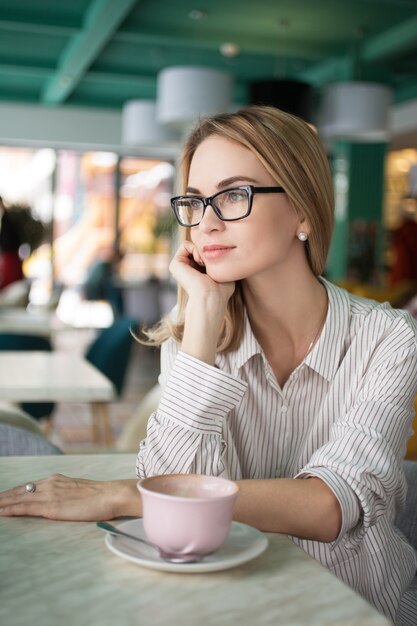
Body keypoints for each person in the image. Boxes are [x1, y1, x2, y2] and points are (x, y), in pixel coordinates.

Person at [0, 106, 416, 625]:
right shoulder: (195, 330)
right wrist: (199, 331)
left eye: (234, 194)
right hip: (224, 600)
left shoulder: (389, 337)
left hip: (362, 605)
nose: (206, 222)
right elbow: (169, 490)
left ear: (304, 211)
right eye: (195, 201)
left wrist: (120, 496)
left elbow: (332, 505)